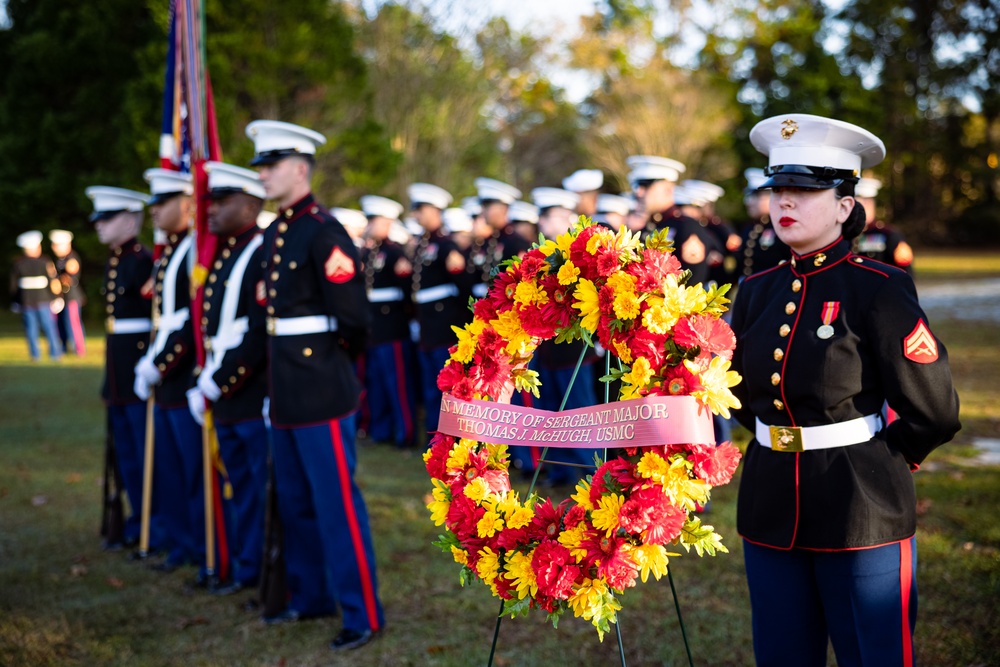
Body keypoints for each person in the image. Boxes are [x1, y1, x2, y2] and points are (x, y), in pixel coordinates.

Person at [730, 113, 961, 666]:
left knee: (872, 654)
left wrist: (887, 456)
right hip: (769, 503)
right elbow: (736, 393)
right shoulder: (755, 292)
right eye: (778, 189)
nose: (785, 202)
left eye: (805, 190)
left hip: (861, 506)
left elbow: (934, 409)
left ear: (844, 206)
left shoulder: (878, 289)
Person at [246, 119, 383, 650]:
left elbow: (354, 319)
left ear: (300, 168)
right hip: (285, 390)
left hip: (321, 388)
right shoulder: (278, 231)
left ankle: (362, 614)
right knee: (296, 501)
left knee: (336, 506)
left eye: (271, 164)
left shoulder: (323, 230)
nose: (263, 173)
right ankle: (310, 598)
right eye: (261, 164)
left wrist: (331, 367)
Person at [185, 162, 270, 596]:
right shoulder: (222, 252)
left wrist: (219, 381)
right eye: (211, 200)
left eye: (222, 201)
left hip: (250, 391)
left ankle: (253, 569)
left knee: (254, 487)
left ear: (252, 204)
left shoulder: (258, 251)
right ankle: (239, 562)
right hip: (224, 387)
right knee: (234, 482)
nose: (211, 209)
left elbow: (256, 332)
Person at [133, 168, 207, 580]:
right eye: (154, 205)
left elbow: (190, 321)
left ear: (187, 203)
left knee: (192, 469)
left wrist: (160, 365)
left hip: (182, 378)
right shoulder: (171, 252)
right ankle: (180, 542)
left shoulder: (193, 251)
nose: (155, 212)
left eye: (163, 204)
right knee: (170, 468)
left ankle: (198, 544)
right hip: (165, 381)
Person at [86, 186, 158, 549]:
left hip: (137, 366)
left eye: (107, 219)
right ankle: (136, 517)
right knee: (126, 451)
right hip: (119, 367)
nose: (99, 226)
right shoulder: (116, 260)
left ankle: (151, 519)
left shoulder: (142, 261)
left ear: (130, 219)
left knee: (143, 452)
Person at [531, 187, 600, 487]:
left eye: (549, 217)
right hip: (547, 347)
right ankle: (559, 472)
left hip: (575, 348)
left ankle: (592, 472)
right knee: (550, 412)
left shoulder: (580, 254)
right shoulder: (542, 254)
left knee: (579, 414)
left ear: (564, 217)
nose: (543, 224)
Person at [406, 181, 468, 436]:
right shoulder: (422, 244)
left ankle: (451, 436)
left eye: (421, 209)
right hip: (428, 325)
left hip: (444, 325)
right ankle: (435, 435)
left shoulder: (445, 245)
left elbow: (461, 288)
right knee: (431, 385)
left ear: (434, 211)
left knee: (448, 385)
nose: (417, 215)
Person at [358, 194, 416, 449]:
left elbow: (407, 292)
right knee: (377, 382)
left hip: (392, 328)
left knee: (398, 385)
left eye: (375, 220)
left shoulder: (394, 253)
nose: (370, 225)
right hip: (374, 329)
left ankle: (406, 432)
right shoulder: (371, 253)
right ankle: (381, 431)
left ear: (387, 223)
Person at [626, 155, 720, 285]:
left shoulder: (687, 227)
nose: (639, 193)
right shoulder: (651, 226)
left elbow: (691, 284)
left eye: (645, 186)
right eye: (637, 186)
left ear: (667, 189)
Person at [9, 230, 61, 361]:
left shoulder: (18, 263)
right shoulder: (44, 262)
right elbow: (52, 281)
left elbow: (13, 285)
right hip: (44, 299)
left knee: (31, 329)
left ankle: (35, 354)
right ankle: (55, 353)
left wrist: (15, 301)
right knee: (49, 327)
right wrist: (56, 297)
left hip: (27, 301)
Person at [853, 177, 915, 275]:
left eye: (867, 203)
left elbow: (905, 271)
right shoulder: (842, 232)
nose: (864, 208)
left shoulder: (888, 234)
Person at [739, 167, 789, 280]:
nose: (749, 202)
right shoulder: (751, 227)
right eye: (749, 196)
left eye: (755, 196)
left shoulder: (781, 226)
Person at [49, 229, 87, 356]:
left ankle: (79, 348)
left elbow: (70, 275)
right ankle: (64, 346)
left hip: (72, 295)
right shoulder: (58, 259)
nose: (54, 247)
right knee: (60, 323)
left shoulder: (72, 258)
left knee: (73, 322)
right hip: (61, 297)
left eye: (57, 245)